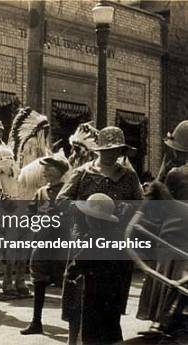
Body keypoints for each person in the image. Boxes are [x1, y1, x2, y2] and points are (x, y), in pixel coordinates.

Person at [57, 126, 144, 345]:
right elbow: (61, 201)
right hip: (85, 242)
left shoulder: (129, 176)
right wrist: (85, 208)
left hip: (115, 245)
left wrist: (128, 208)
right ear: (100, 150)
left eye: (117, 150)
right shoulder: (83, 172)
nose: (113, 154)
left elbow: (143, 205)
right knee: (81, 302)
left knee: (110, 305)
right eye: (109, 150)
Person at [137, 120, 188, 337]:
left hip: (174, 239)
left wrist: (158, 193)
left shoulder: (177, 173)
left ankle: (163, 321)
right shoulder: (175, 172)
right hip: (177, 240)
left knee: (172, 292)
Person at [65, 193, 125, 344]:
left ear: (92, 219)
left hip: (93, 293)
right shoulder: (118, 237)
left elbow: (76, 265)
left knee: (91, 331)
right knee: (111, 328)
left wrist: (71, 272)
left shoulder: (91, 239)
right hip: (113, 293)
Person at [21, 155, 69, 335]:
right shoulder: (41, 192)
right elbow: (29, 214)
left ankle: (74, 325)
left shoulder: (67, 191)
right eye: (44, 168)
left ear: (59, 171)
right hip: (41, 246)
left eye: (48, 168)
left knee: (66, 285)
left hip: (62, 247)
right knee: (38, 284)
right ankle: (36, 322)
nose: (44, 171)